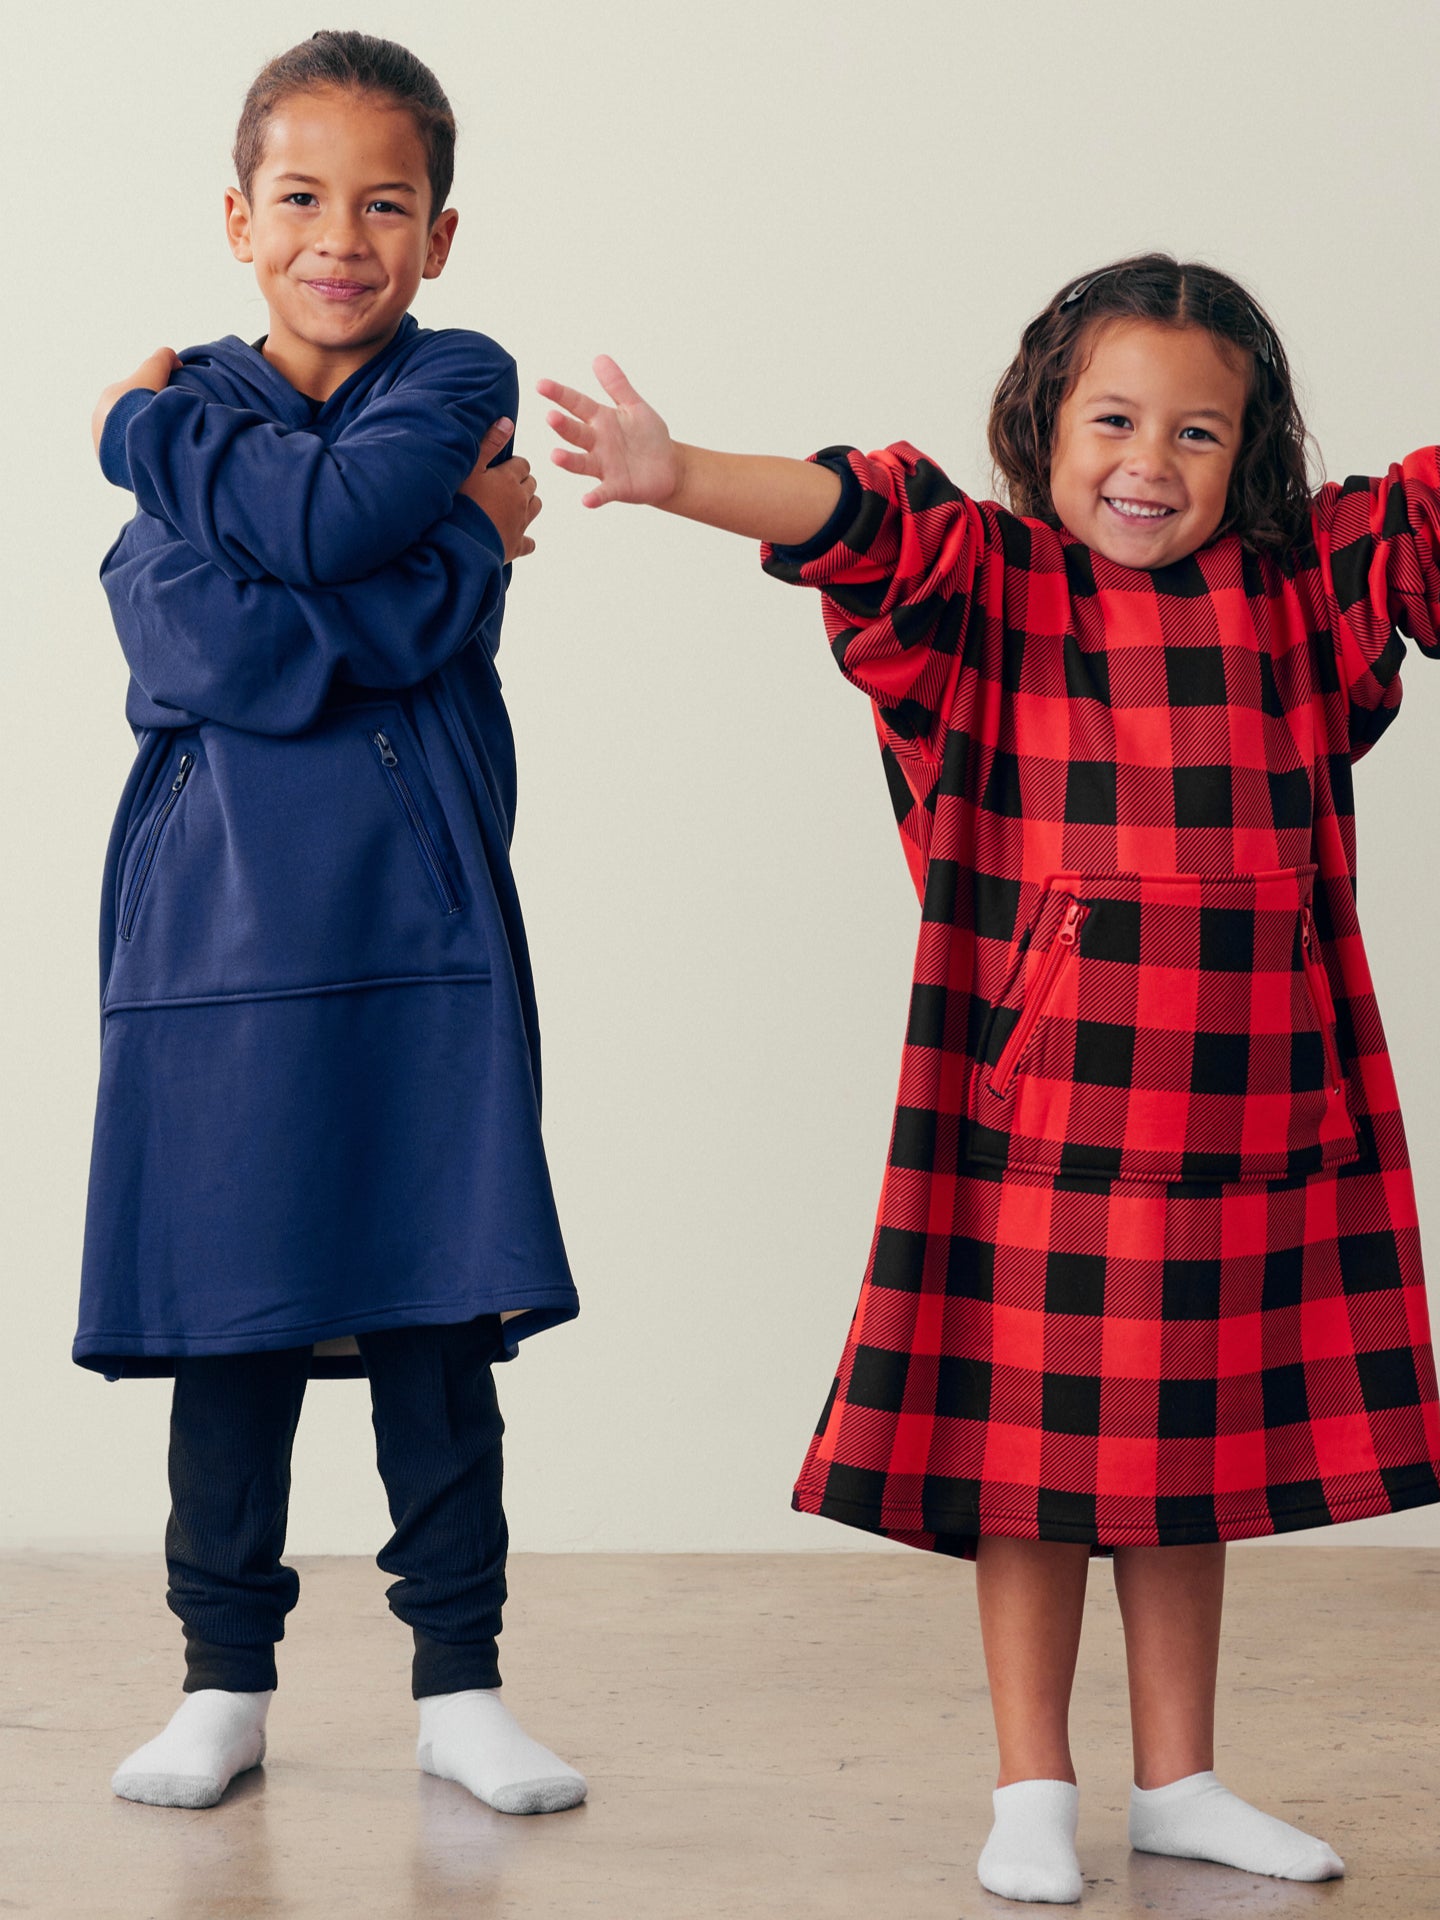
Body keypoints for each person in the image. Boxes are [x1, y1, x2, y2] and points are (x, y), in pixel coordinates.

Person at [538, 252, 1440, 1900]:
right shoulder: (992, 591)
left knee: (1189, 1468)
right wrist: (674, 481)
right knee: (1024, 1477)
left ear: (1254, 456)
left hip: (1248, 1119)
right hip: (1040, 1127)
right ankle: (1032, 1785)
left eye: (1200, 434)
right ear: (1044, 423)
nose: (1150, 463)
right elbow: (847, 517)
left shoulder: (1303, 597)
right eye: (1112, 420)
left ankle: (1183, 1780)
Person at [82, 31, 584, 1817]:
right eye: (302, 198)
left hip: (420, 927)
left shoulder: (452, 376)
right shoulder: (207, 403)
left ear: (441, 234)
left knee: (437, 1312)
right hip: (212, 948)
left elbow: (336, 513)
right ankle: (222, 1680)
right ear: (238, 215)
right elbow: (207, 650)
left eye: (387, 203)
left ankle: (462, 1682)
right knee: (234, 1326)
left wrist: (138, 438)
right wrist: (466, 558)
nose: (342, 237)